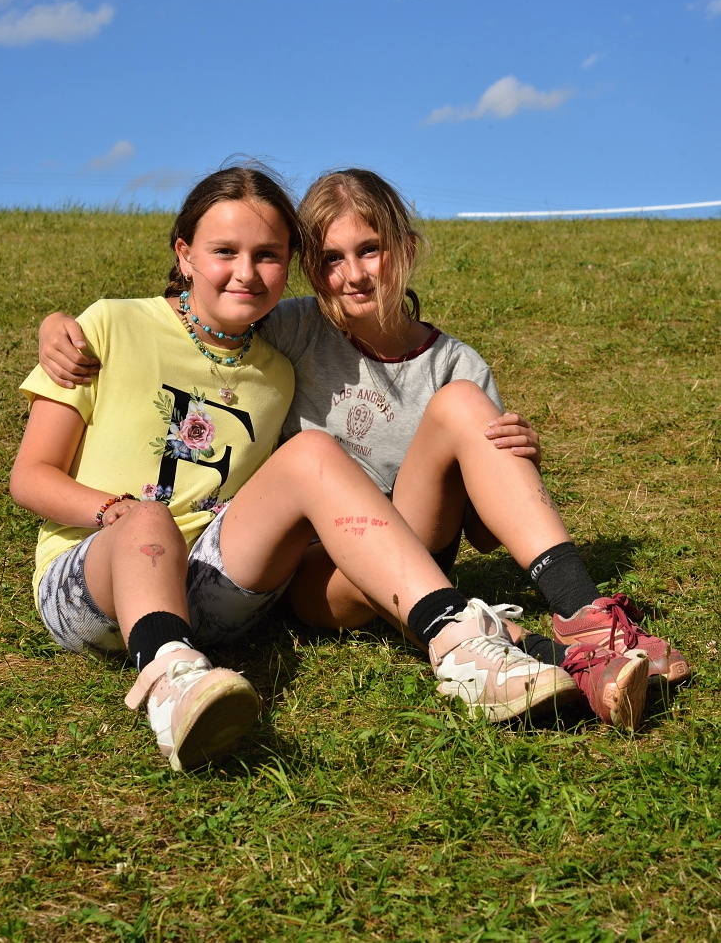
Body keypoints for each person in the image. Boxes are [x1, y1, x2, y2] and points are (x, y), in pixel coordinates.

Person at [37, 168, 684, 731]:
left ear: (405, 249)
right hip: (302, 570)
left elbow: (486, 538)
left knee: (455, 405)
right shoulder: (290, 328)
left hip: (383, 547)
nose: (352, 274)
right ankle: (510, 646)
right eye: (330, 259)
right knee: (304, 459)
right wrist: (63, 325)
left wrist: (516, 460)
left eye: (369, 250)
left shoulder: (443, 362)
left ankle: (584, 623)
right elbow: (199, 313)